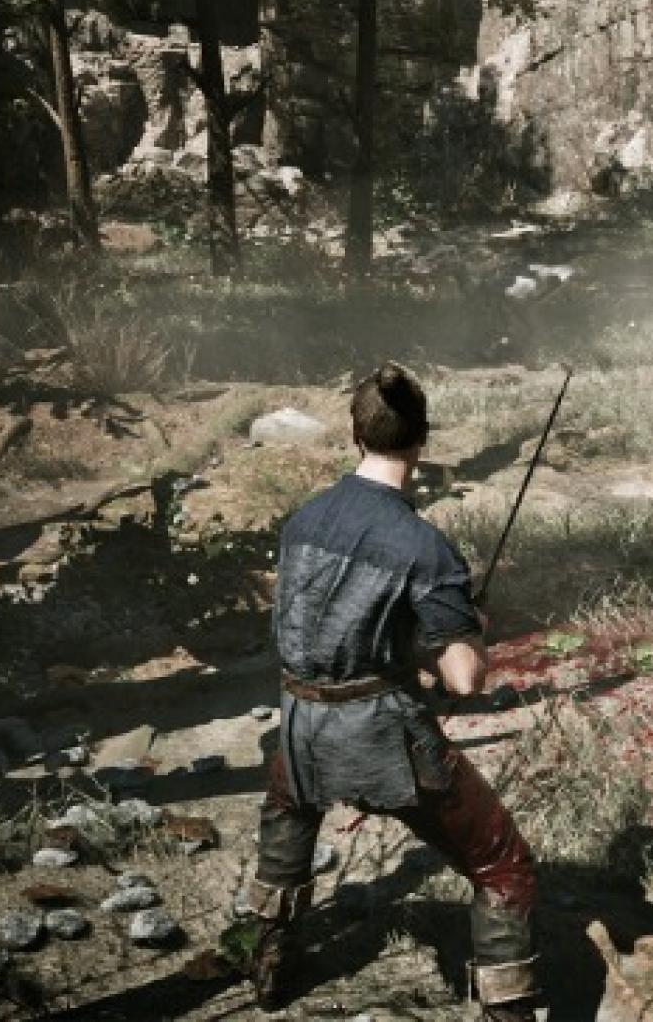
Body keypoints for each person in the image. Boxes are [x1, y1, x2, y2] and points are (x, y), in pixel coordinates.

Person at [241, 362, 539, 1020]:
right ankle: (508, 1013)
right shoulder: (422, 545)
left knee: (289, 809)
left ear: (356, 435)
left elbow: (324, 633)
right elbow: (463, 680)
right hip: (382, 736)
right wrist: (470, 633)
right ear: (422, 439)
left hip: (299, 723)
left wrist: (418, 644)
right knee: (502, 864)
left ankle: (268, 962)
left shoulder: (303, 521)